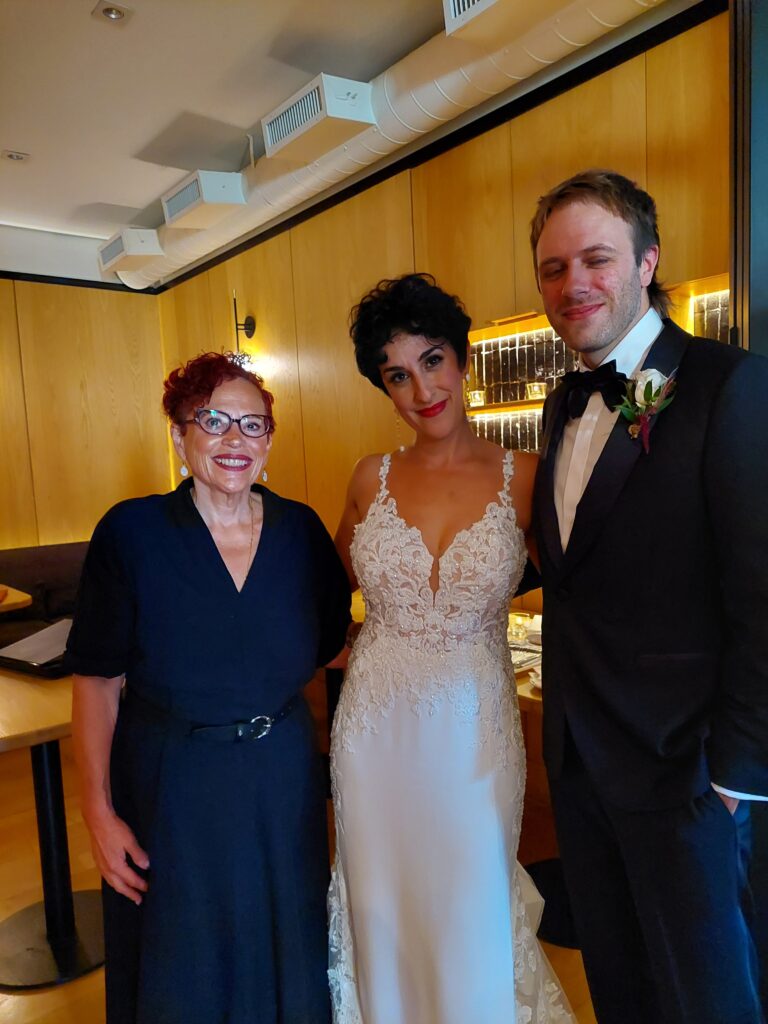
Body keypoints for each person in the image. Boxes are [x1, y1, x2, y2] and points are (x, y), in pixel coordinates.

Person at [530, 169, 768, 1023]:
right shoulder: (561, 404)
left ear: (646, 263)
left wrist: (735, 779)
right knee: (623, 995)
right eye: (553, 269)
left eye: (596, 258)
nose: (573, 284)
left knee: (711, 1003)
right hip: (583, 770)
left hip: (688, 778)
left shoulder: (727, 386)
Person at [66, 352, 350, 1024]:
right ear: (178, 433)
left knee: (284, 942)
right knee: (184, 958)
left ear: (270, 442)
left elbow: (329, 645)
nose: (233, 441)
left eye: (252, 426)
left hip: (281, 779)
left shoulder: (301, 531)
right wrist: (98, 815)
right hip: (173, 782)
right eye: (213, 420)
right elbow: (98, 681)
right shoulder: (131, 533)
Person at [329, 273, 574, 1023]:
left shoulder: (527, 477)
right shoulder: (371, 477)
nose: (420, 390)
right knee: (381, 899)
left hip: (475, 733)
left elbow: (583, 592)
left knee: (469, 900)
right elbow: (324, 585)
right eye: (397, 375)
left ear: (461, 362)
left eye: (432, 361)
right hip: (374, 735)